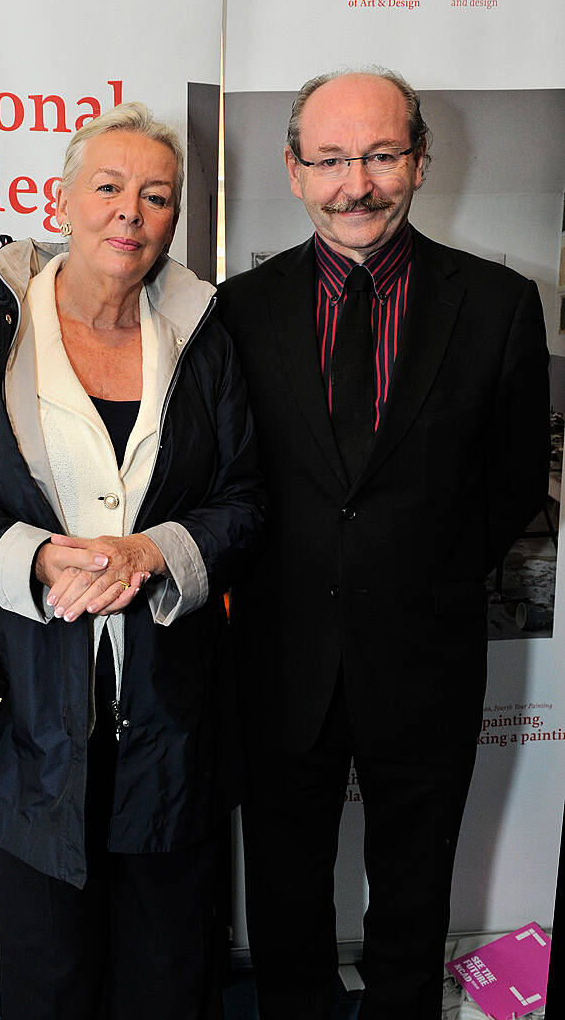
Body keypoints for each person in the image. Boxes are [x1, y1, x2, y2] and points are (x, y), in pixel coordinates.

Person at [0, 102, 265, 1020]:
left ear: (175, 220)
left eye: (158, 196)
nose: (131, 211)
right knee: (50, 986)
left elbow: (246, 500)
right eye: (109, 186)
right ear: (61, 198)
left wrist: (156, 550)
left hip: (171, 720)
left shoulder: (202, 339)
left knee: (171, 982)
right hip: (26, 722)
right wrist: (38, 557)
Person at [216, 69, 550, 1020]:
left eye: (379, 155)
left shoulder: (496, 304)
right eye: (328, 159)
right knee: (284, 883)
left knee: (416, 879)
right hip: (280, 655)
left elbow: (515, 482)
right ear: (292, 169)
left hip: (426, 648)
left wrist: (420, 574)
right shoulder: (239, 312)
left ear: (418, 159)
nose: (354, 182)